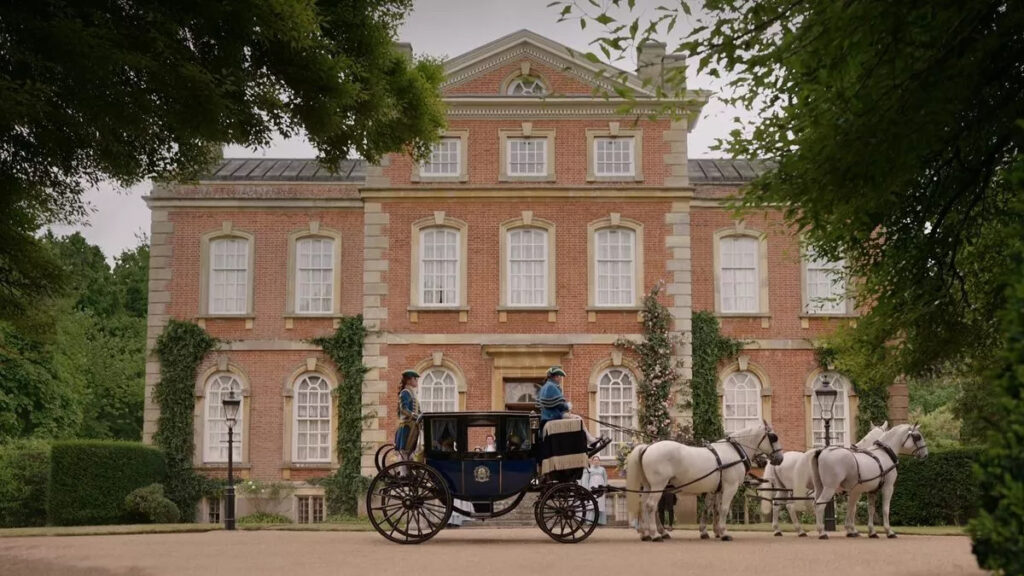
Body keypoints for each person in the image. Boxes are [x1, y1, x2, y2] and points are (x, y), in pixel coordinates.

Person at [537, 366, 609, 454]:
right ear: (555, 377)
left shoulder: (545, 386)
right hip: (553, 416)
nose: (560, 379)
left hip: (549, 415)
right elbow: (559, 405)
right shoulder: (551, 386)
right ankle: (590, 441)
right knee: (578, 419)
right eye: (560, 376)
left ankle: (590, 440)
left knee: (577, 417)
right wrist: (567, 406)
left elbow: (552, 404)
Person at [394, 370, 422, 461]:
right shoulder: (405, 392)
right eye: (415, 379)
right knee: (404, 452)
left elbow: (417, 409)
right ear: (409, 380)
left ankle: (407, 472)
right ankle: (403, 473)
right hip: (407, 426)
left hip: (413, 425)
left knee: (410, 451)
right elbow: (403, 409)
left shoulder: (412, 393)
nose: (416, 381)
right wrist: (415, 416)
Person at [580, 455, 609, 525]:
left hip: (600, 488)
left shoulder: (602, 469)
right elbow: (586, 479)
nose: (596, 461)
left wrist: (605, 486)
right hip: (592, 487)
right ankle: (591, 520)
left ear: (599, 461)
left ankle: (600, 521)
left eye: (597, 460)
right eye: (595, 460)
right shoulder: (589, 469)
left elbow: (605, 478)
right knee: (592, 503)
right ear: (592, 461)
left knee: (600, 504)